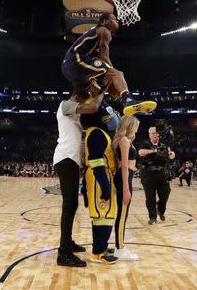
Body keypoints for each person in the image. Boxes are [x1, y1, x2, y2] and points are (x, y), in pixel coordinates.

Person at [61, 13, 156, 116]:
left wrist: (110, 83)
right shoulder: (104, 31)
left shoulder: (95, 33)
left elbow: (99, 60)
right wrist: (114, 74)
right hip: (75, 61)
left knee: (102, 86)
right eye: (114, 19)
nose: (117, 21)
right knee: (116, 74)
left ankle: (128, 105)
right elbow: (104, 57)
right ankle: (128, 99)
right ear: (105, 21)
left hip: (71, 69)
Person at [53, 88, 105, 267]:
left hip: (71, 160)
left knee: (72, 204)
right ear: (76, 98)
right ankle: (63, 253)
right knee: (69, 204)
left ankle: (68, 243)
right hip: (65, 158)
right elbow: (93, 108)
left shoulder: (73, 113)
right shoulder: (66, 105)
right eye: (84, 101)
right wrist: (101, 94)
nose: (85, 105)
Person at [80, 92, 120, 264]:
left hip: (101, 174)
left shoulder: (98, 132)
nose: (110, 116)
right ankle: (98, 253)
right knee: (103, 214)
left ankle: (100, 246)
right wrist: (104, 184)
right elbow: (95, 161)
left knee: (103, 214)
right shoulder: (96, 132)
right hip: (99, 175)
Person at [112, 116, 140, 261]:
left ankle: (120, 246)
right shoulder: (123, 140)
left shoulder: (126, 140)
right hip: (124, 177)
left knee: (123, 214)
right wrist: (126, 188)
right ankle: (120, 249)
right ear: (129, 126)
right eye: (135, 126)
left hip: (127, 176)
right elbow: (123, 165)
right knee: (122, 215)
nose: (136, 129)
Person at [138, 127, 176, 225]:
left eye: (156, 133)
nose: (155, 135)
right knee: (150, 197)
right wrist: (154, 151)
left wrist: (171, 154)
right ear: (149, 135)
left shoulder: (164, 145)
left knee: (166, 192)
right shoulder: (145, 144)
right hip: (148, 173)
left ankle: (160, 209)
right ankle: (152, 217)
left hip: (161, 173)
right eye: (153, 133)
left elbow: (171, 155)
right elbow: (141, 153)